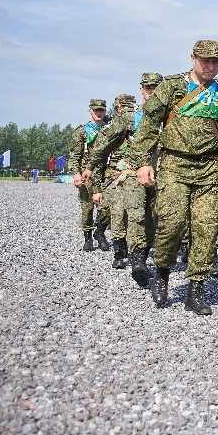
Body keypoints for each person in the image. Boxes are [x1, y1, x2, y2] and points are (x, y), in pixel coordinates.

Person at [128, 40, 218, 315]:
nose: (210, 66)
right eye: (205, 60)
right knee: (171, 225)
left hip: (209, 169)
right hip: (174, 165)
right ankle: (162, 274)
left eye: (215, 61)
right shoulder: (172, 86)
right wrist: (141, 162)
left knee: (206, 230)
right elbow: (148, 125)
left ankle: (195, 290)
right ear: (193, 59)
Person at [83, 72, 164, 287]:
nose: (153, 92)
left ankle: (152, 253)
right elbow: (104, 142)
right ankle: (139, 261)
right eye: (149, 88)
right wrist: (90, 166)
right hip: (132, 175)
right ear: (142, 90)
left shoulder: (171, 118)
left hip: (163, 176)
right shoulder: (130, 118)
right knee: (136, 214)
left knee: (157, 219)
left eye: (157, 88)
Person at [84, 93, 138, 270]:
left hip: (135, 175)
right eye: (125, 107)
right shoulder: (113, 126)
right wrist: (97, 186)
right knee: (116, 215)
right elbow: (100, 157)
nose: (128, 111)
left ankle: (134, 252)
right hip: (114, 177)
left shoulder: (141, 124)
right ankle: (119, 253)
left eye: (131, 107)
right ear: (118, 109)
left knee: (134, 216)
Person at [67, 99, 111, 252]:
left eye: (102, 110)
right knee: (87, 209)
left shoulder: (111, 129)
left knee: (107, 208)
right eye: (96, 110)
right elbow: (74, 155)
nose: (99, 112)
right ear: (90, 111)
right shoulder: (83, 130)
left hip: (106, 173)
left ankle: (100, 232)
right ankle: (88, 237)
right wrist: (76, 174)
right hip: (87, 175)